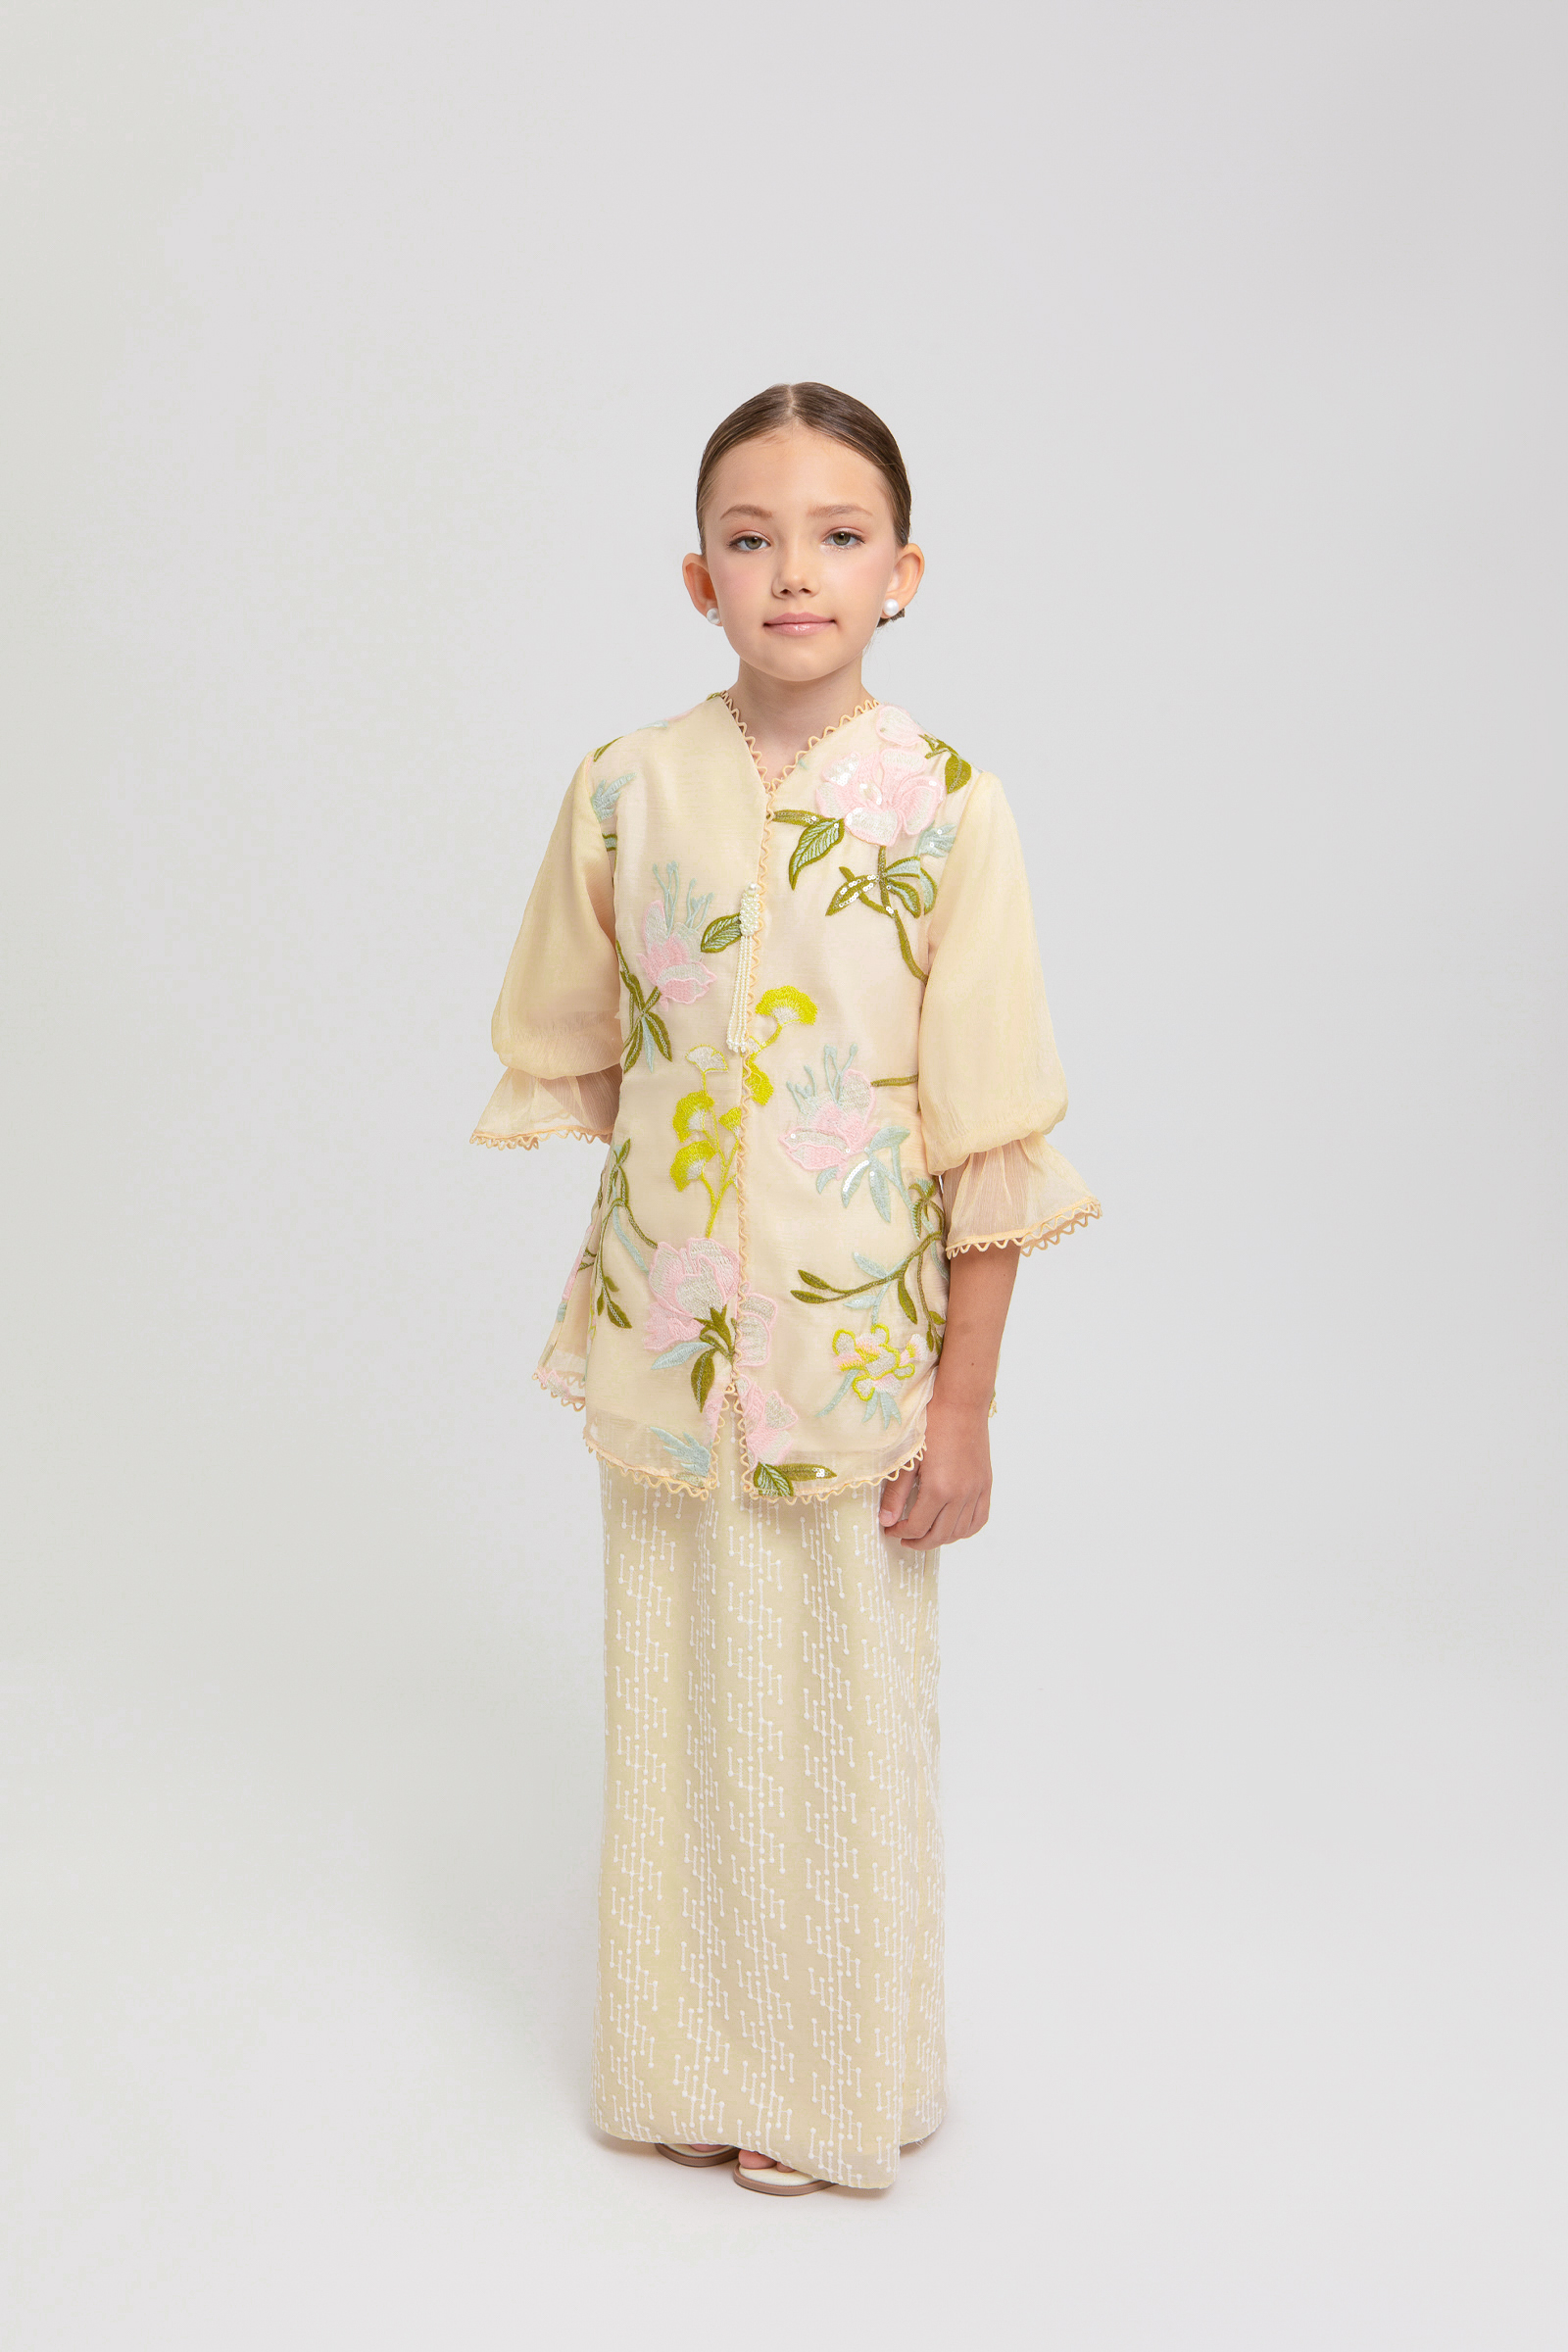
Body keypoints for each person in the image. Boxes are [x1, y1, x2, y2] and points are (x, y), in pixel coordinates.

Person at [471, 382, 1099, 2195]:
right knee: (675, 1701)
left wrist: (966, 1403)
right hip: (669, 1346)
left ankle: (833, 2086)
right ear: (699, 576)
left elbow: (988, 1129)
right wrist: (698, 1221)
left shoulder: (949, 809)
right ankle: (683, 2062)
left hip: (861, 1356)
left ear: (904, 572)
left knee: (838, 1715)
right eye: (750, 537)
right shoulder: (624, 788)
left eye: (838, 535)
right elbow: (598, 1046)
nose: (794, 570)